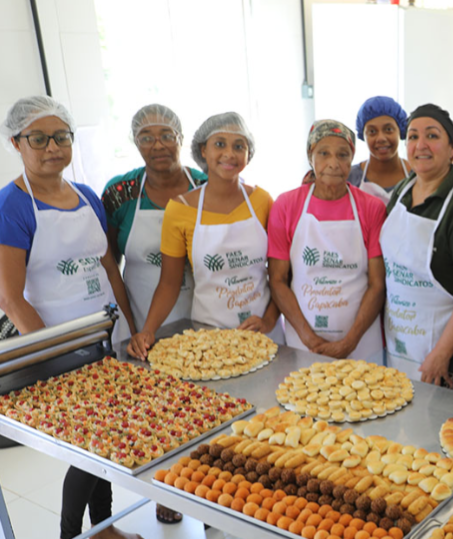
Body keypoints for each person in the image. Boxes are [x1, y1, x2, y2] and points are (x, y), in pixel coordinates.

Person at [0, 95, 145, 539]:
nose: (52, 147)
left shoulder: (87, 196)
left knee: (109, 437)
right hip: (57, 346)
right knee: (92, 443)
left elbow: (108, 267)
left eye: (61, 137)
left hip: (105, 336)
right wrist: (54, 354)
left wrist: (130, 328)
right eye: (39, 138)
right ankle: (69, 536)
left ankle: (103, 526)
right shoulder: (8, 208)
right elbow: (10, 298)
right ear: (17, 142)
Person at [128, 112, 279, 360]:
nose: (229, 154)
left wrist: (269, 320)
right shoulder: (179, 209)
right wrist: (148, 330)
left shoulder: (262, 201)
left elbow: (280, 276)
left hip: (264, 334)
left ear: (248, 154)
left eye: (239, 146)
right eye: (219, 144)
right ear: (203, 151)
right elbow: (169, 283)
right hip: (209, 336)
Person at [381, 103, 453, 388]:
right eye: (413, 136)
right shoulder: (403, 191)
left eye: (432, 136)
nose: (421, 145)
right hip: (398, 341)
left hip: (441, 352)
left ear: (452, 149)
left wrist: (442, 353)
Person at [268, 120, 386, 361]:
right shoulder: (286, 206)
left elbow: (377, 284)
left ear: (351, 159)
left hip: (361, 344)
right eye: (324, 153)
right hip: (304, 344)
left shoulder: (371, 207)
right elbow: (278, 281)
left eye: (342, 154)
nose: (333, 163)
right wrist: (309, 339)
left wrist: (350, 342)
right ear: (310, 157)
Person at [103, 104, 206, 336]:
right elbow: (110, 268)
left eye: (167, 136)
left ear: (181, 139)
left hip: (204, 319)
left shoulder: (205, 187)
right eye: (146, 138)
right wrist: (128, 327)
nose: (158, 145)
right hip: (142, 320)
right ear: (136, 142)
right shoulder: (120, 193)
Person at [348, 96, 410, 204]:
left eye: (388, 129)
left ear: (400, 131)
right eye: (372, 131)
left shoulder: (417, 176)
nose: (381, 138)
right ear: (363, 135)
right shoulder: (350, 177)